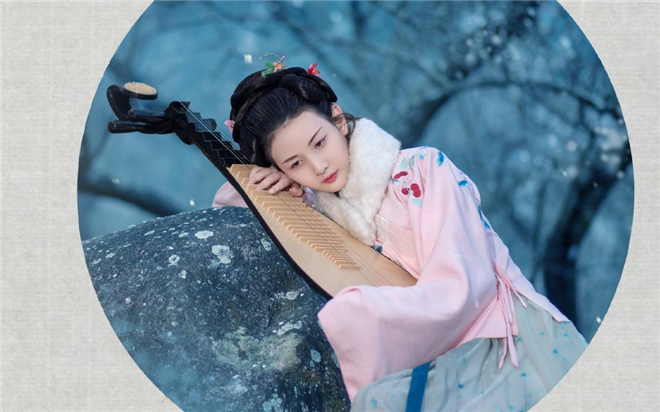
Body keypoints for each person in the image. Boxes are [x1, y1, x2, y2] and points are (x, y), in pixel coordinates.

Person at [212, 56, 588, 411]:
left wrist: (364, 310)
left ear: (338, 121)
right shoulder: (318, 208)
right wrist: (272, 184)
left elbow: (465, 286)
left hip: (507, 337)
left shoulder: (424, 168)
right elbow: (230, 208)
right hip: (442, 355)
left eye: (320, 143)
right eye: (296, 163)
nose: (319, 166)